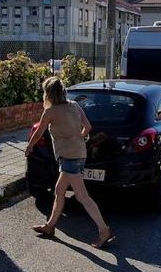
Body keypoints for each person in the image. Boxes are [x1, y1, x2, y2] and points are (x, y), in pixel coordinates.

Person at [27, 76, 114, 248]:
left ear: (48, 94)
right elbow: (87, 127)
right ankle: (50, 226)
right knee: (59, 191)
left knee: (82, 196)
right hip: (79, 154)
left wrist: (29, 147)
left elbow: (38, 134)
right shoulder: (74, 105)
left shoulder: (50, 112)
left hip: (69, 158)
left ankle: (104, 230)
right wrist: (77, 139)